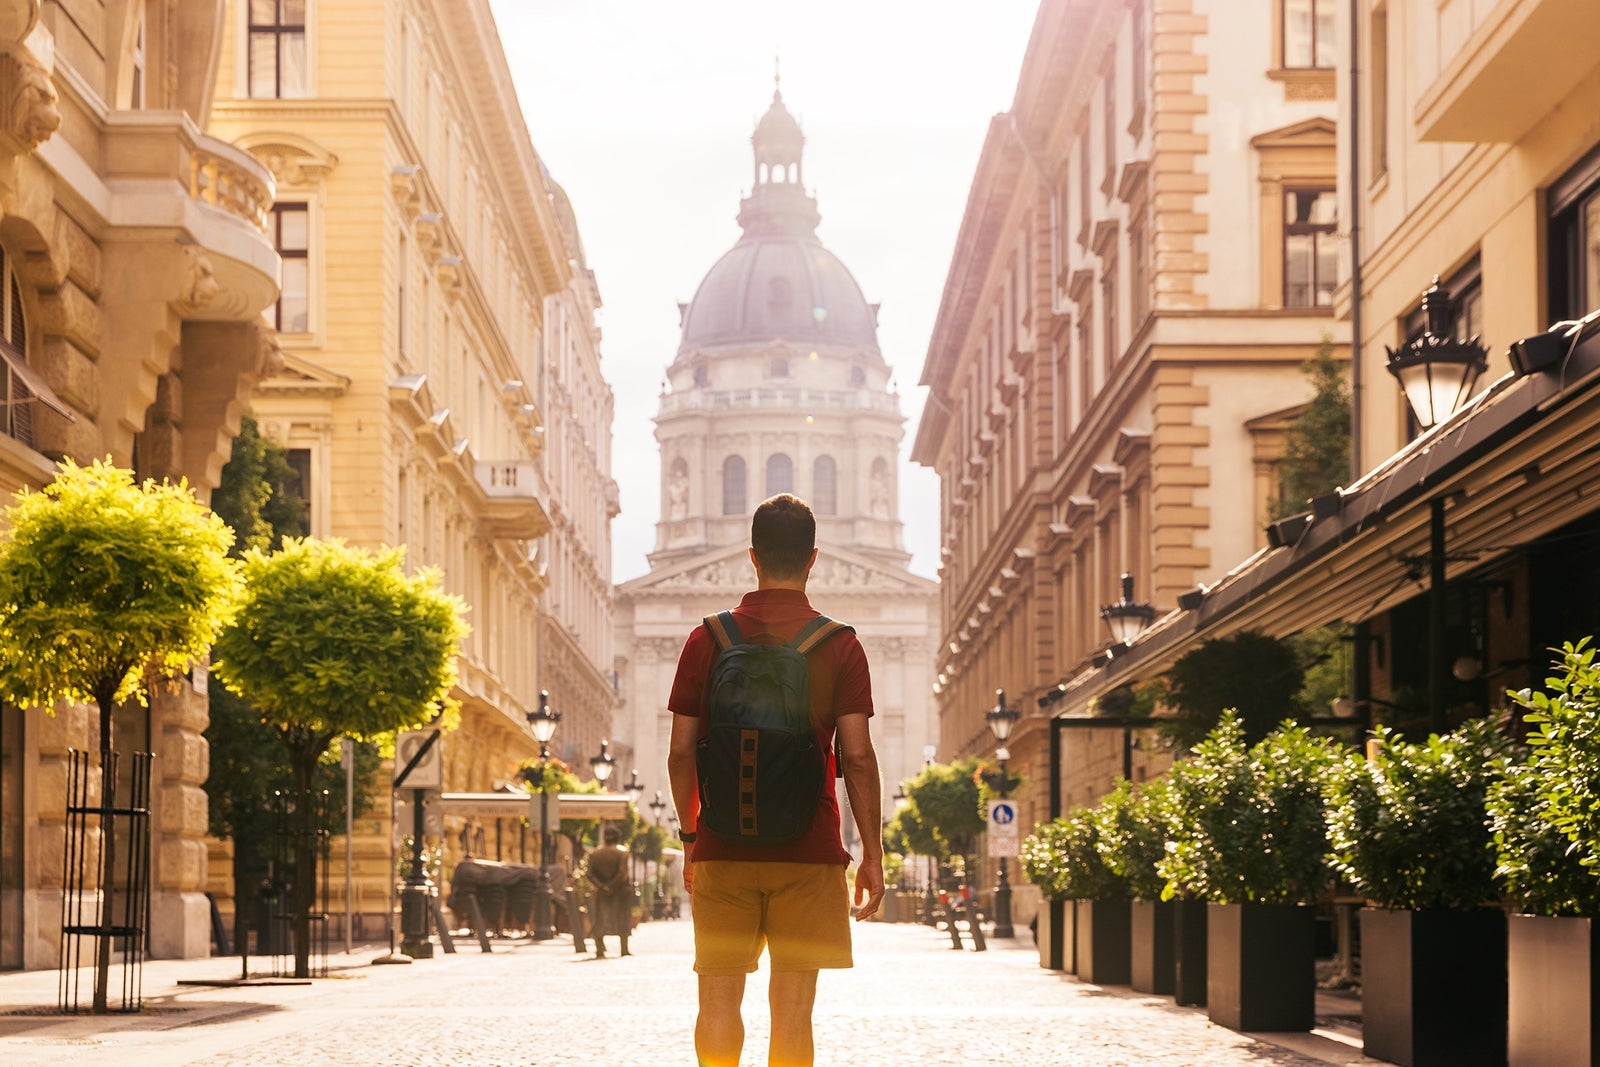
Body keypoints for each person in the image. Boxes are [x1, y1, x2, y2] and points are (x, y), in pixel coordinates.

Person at [667, 493, 884, 1067]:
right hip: (809, 853)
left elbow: (679, 754)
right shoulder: (839, 644)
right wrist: (872, 855)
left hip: (722, 848)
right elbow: (858, 758)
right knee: (793, 1013)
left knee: (716, 1002)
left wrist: (692, 840)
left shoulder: (706, 638)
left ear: (752, 556)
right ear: (813, 559)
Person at [585, 824, 633, 958]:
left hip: (601, 892)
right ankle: (624, 949)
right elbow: (623, 873)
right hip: (620, 891)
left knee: (600, 920)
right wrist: (612, 886)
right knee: (622, 919)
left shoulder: (595, 853)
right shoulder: (622, 852)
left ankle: (599, 950)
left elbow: (589, 874)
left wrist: (601, 886)